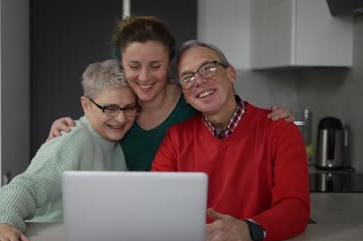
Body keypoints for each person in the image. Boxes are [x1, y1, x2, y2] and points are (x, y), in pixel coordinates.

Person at [48, 16, 295, 172]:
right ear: (121, 64)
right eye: (134, 66)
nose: (144, 78)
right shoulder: (119, 109)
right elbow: (91, 131)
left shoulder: (193, 99)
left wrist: (273, 121)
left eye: (156, 66)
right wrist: (65, 131)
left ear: (170, 65)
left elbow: (233, 119)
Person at [151, 40, 310, 241]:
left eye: (208, 68)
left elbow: (296, 207)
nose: (198, 81)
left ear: (231, 74)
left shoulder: (280, 130)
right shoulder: (175, 139)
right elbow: (156, 204)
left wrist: (250, 229)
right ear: (186, 97)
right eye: (187, 78)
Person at [0, 59, 139, 241]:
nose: (121, 118)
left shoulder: (113, 144)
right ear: (86, 105)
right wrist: (3, 224)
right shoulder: (72, 140)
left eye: (129, 108)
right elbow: (25, 186)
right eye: (110, 108)